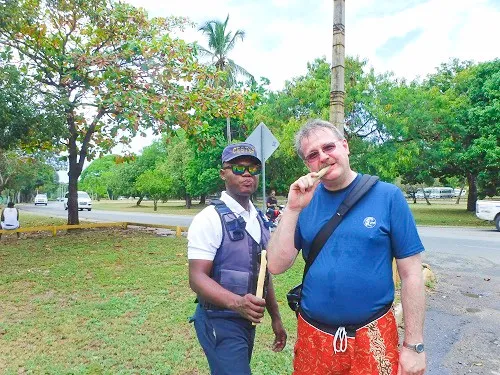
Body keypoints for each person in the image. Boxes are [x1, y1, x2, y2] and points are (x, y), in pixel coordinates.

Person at [267, 119, 426, 375]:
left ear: (345, 146)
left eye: (329, 147)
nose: (323, 157)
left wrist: (413, 346)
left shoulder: (388, 197)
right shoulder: (303, 203)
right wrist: (292, 208)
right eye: (313, 155)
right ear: (307, 164)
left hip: (373, 336)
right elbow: (275, 264)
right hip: (314, 337)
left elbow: (412, 274)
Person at [188, 142, 287, 375]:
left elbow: (263, 273)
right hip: (218, 321)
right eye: (238, 168)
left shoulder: (261, 220)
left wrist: (276, 317)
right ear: (223, 173)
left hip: (245, 323)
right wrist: (237, 303)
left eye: (253, 169)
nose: (246, 174)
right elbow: (196, 278)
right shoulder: (209, 219)